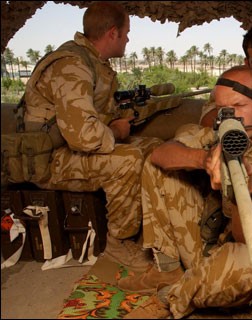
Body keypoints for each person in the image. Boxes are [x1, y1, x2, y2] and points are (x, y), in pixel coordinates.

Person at [119, 65, 252, 318]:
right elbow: (160, 154)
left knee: (249, 260)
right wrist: (204, 159)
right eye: (221, 109)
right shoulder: (222, 133)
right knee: (159, 169)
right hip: (213, 245)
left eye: (238, 106)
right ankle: (169, 270)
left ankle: (173, 297)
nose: (228, 116)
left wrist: (239, 188)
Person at [22, 1, 162, 271]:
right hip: (48, 160)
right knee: (129, 160)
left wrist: (117, 119)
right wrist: (117, 130)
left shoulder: (93, 62)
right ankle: (118, 243)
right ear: (112, 33)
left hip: (67, 148)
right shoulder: (71, 65)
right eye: (126, 32)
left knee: (153, 147)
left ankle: (148, 227)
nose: (128, 38)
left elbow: (90, 116)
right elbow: (84, 136)